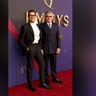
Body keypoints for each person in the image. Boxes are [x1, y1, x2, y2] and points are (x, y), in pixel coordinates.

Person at [18, 10, 53, 92]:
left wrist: (40, 48)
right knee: (30, 67)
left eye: (33, 15)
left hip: (37, 47)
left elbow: (40, 38)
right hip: (30, 48)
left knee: (42, 64)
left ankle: (42, 83)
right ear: (28, 16)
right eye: (30, 15)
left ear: (35, 16)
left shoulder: (38, 26)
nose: (32, 16)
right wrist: (26, 48)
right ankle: (30, 85)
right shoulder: (25, 27)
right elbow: (20, 40)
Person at [40, 11, 63, 85]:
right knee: (45, 66)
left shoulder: (56, 25)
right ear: (45, 17)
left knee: (53, 64)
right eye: (47, 16)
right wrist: (41, 48)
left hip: (54, 49)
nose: (48, 18)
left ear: (53, 17)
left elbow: (58, 37)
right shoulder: (41, 26)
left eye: (50, 16)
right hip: (45, 49)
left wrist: (58, 47)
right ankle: (46, 79)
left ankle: (54, 78)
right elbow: (40, 39)